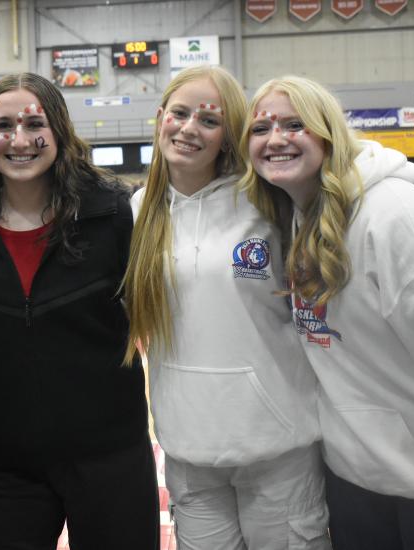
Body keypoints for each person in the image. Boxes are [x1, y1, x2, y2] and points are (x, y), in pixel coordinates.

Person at [240, 75, 414, 550]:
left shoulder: (399, 218)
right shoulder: (298, 216)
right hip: (356, 484)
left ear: (329, 134)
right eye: (261, 129)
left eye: (295, 124)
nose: (276, 138)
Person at [0, 72, 160, 550]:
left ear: (58, 130)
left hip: (110, 453)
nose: (19, 140)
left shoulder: (114, 213)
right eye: (3, 126)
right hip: (4, 461)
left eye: (34, 124)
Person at [123, 65, 329, 550]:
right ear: (160, 119)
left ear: (228, 137)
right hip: (188, 450)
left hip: (280, 449)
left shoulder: (272, 203)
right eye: (180, 113)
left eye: (210, 120)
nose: (190, 128)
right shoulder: (134, 214)